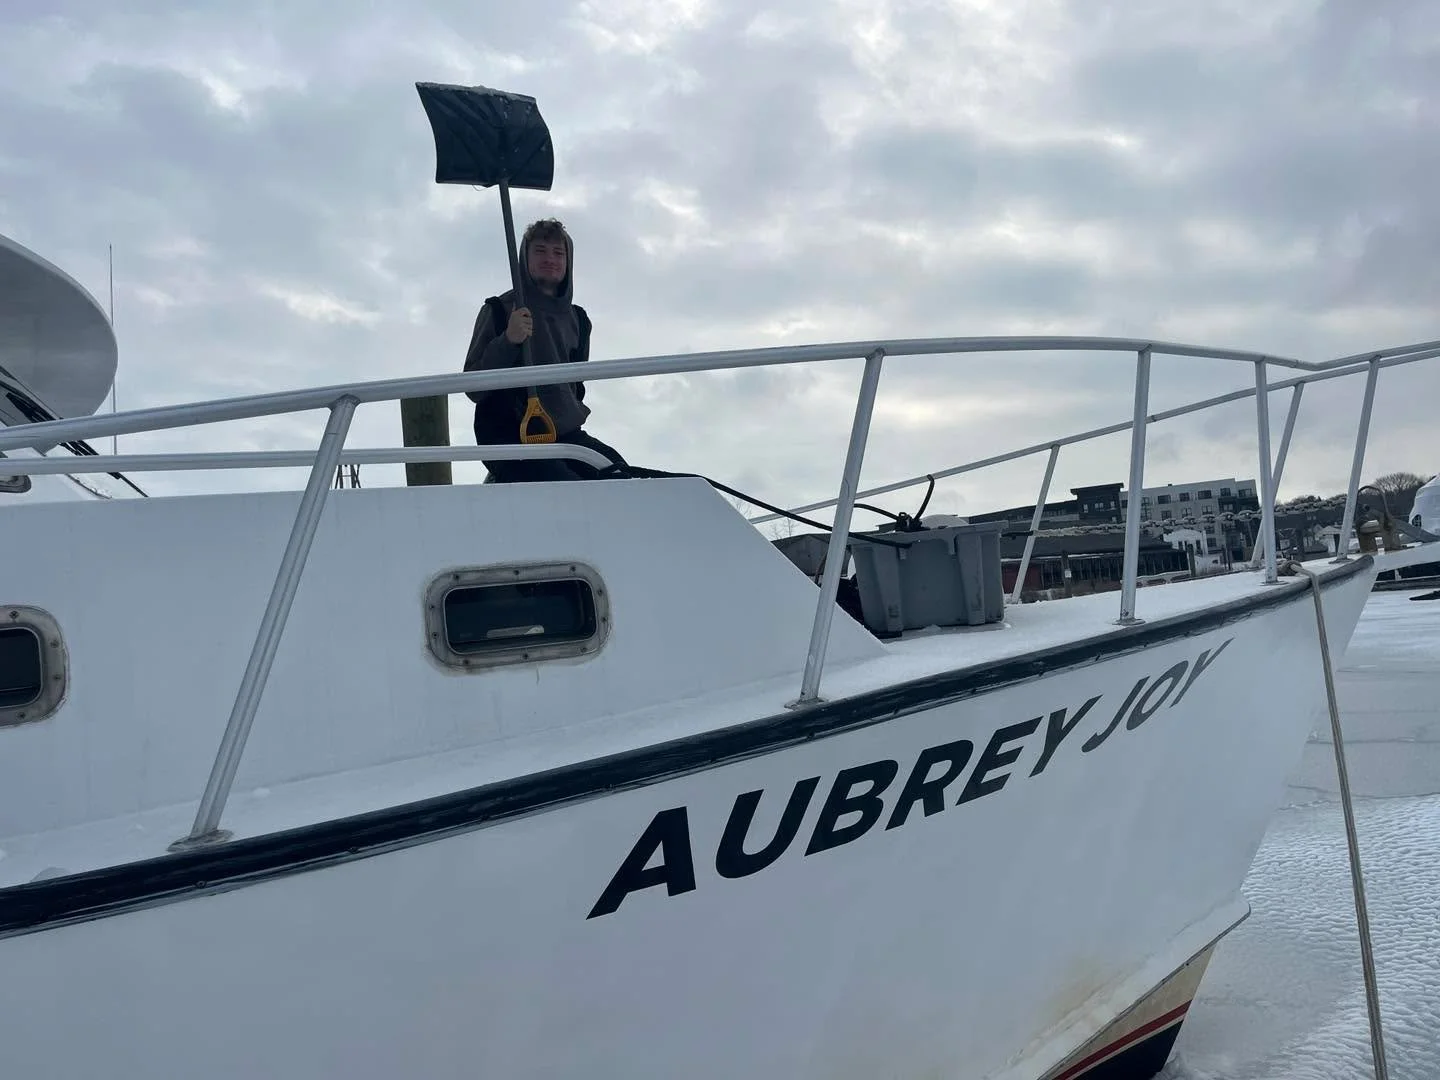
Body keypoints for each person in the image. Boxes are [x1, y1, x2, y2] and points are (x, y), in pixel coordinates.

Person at [462, 218, 628, 482]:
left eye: (558, 252)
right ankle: (500, 480)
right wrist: (509, 340)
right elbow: (474, 387)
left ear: (568, 261)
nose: (550, 258)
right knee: (565, 485)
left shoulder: (579, 321)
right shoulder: (499, 309)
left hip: (564, 434)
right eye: (540, 250)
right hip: (506, 435)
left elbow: (576, 386)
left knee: (621, 475)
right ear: (524, 258)